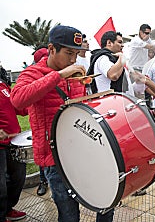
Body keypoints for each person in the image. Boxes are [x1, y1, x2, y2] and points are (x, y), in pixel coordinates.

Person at [10, 25, 114, 222]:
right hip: (54, 157)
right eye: (68, 53)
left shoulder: (75, 73)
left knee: (106, 199)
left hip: (82, 149)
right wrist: (59, 75)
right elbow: (18, 101)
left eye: (76, 53)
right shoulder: (32, 73)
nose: (73, 60)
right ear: (51, 49)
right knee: (68, 214)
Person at [0, 72, 27, 222]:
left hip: (13, 141)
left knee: (18, 178)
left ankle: (7, 209)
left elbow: (17, 106)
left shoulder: (2, 85)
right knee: (0, 186)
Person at [32, 48, 49, 196]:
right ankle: (42, 182)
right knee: (43, 161)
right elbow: (19, 100)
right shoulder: (33, 75)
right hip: (42, 133)